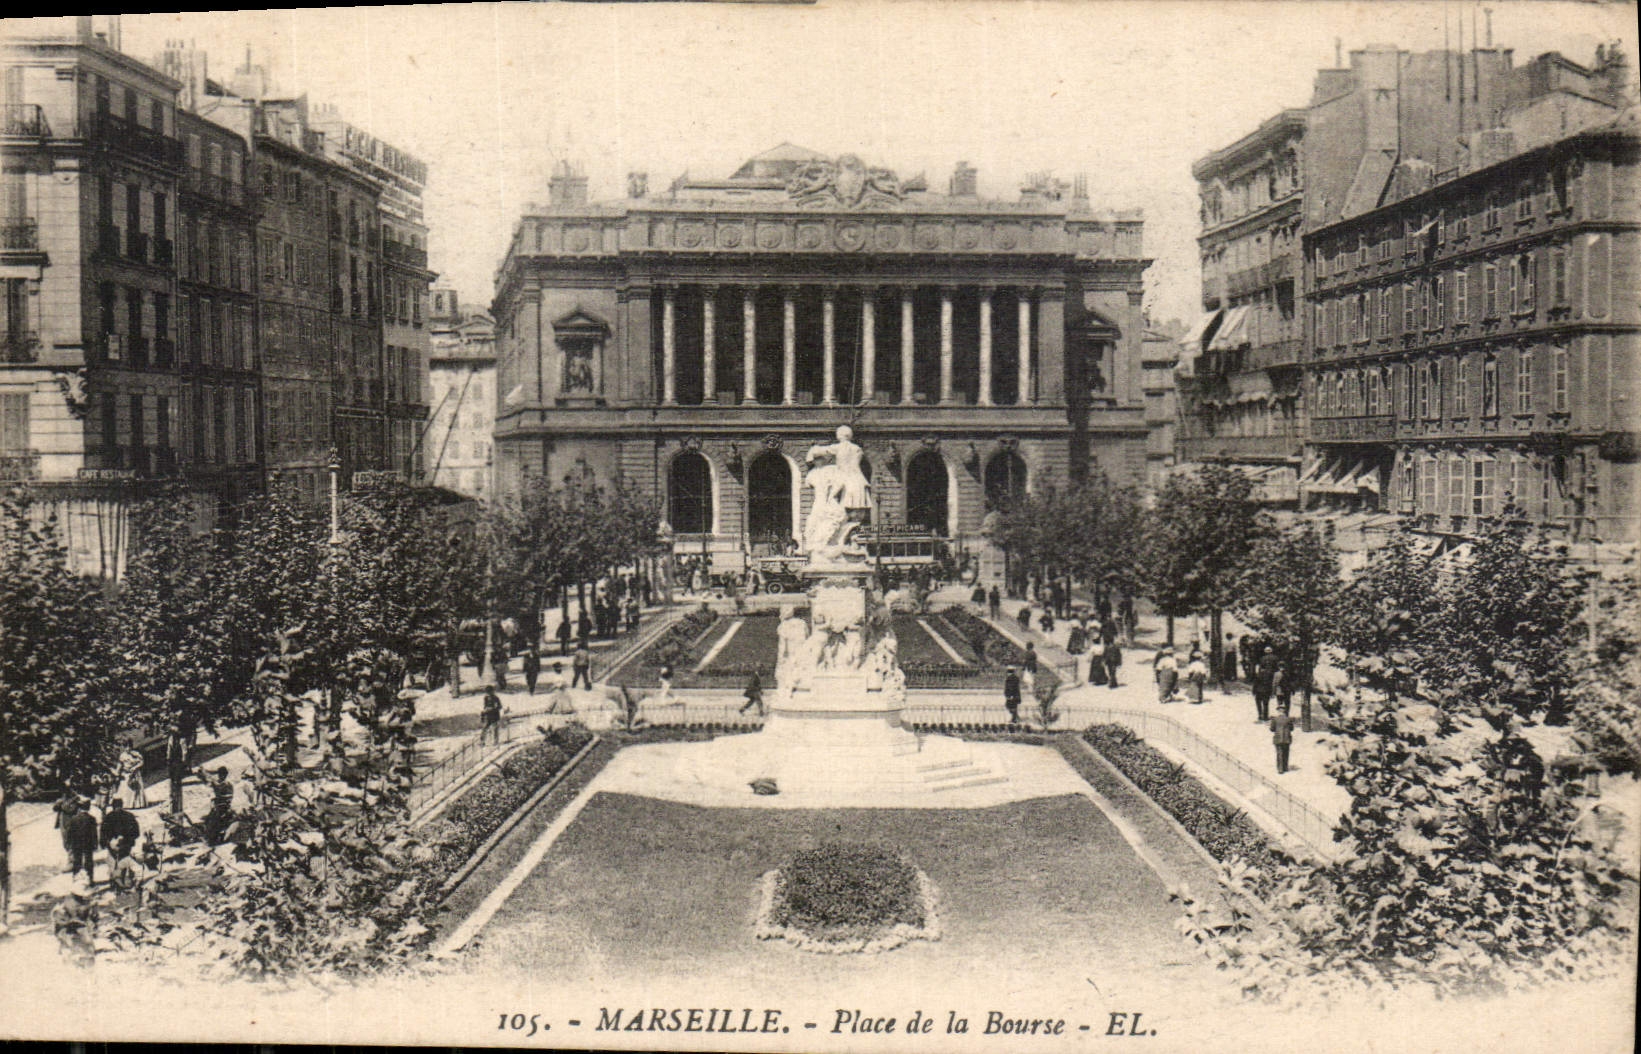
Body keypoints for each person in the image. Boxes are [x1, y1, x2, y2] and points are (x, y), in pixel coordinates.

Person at [51, 877, 99, 967]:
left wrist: (92, 922)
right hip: (68, 929)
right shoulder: (68, 904)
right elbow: (61, 921)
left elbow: (92, 917)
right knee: (74, 949)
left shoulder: (88, 902)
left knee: (88, 947)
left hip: (80, 928)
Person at [100, 797, 140, 890]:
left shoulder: (108, 817)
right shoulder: (129, 816)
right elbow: (136, 832)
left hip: (112, 845)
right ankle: (123, 880)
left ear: (112, 806)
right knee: (124, 862)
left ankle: (115, 883)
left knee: (113, 864)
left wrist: (106, 843)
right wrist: (129, 840)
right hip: (126, 844)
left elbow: (103, 832)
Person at [63, 797, 98, 883]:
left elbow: (69, 833)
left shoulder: (74, 819)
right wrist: (95, 844)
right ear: (88, 808)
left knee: (77, 861)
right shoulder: (92, 819)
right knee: (89, 861)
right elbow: (94, 833)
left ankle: (76, 878)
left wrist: (68, 843)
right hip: (88, 844)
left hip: (76, 844)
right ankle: (90, 879)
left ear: (79, 807)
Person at [202, 767, 236, 846]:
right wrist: (204, 776)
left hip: (224, 806)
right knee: (209, 820)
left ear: (226, 775)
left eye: (223, 774)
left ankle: (215, 838)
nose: (221, 776)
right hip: (218, 805)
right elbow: (208, 783)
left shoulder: (227, 784)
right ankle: (210, 837)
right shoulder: (219, 783)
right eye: (220, 774)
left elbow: (228, 796)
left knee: (216, 820)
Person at [118, 739, 147, 809]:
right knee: (126, 788)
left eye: (129, 747)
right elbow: (120, 764)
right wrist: (119, 771)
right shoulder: (122, 755)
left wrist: (135, 767)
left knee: (136, 788)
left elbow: (141, 762)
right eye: (126, 747)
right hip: (126, 773)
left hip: (135, 773)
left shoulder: (135, 754)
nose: (128, 749)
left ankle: (137, 804)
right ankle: (126, 804)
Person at [1270, 702, 1296, 774]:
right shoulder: (1288, 719)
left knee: (1279, 753)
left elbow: (1272, 729)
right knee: (1286, 752)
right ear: (1285, 711)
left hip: (1278, 738)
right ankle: (1285, 767)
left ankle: (1280, 769)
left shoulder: (1275, 719)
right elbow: (1292, 728)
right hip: (1287, 738)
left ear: (1278, 711)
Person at [1251, 649, 1275, 722]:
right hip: (1266, 691)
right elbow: (1271, 684)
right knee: (1266, 703)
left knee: (1258, 703)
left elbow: (1255, 683)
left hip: (1259, 691)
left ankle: (1260, 715)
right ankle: (1265, 716)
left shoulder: (1259, 675)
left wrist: (1253, 691)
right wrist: (1271, 692)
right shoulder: (1269, 675)